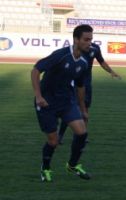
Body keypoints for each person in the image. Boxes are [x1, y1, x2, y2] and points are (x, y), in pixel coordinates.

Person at [32, 24, 94, 182]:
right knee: (53, 141)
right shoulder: (60, 55)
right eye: (86, 40)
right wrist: (38, 96)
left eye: (91, 40)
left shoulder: (84, 62)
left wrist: (83, 109)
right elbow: (36, 70)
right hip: (46, 103)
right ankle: (45, 168)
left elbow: (80, 86)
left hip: (66, 101)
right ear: (76, 40)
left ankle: (72, 165)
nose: (89, 43)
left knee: (82, 132)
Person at [57, 39, 121, 145]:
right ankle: (60, 136)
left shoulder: (95, 49)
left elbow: (101, 61)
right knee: (69, 109)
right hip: (73, 83)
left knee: (85, 109)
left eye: (89, 38)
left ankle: (82, 136)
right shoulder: (73, 48)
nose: (87, 41)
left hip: (86, 84)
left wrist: (111, 71)